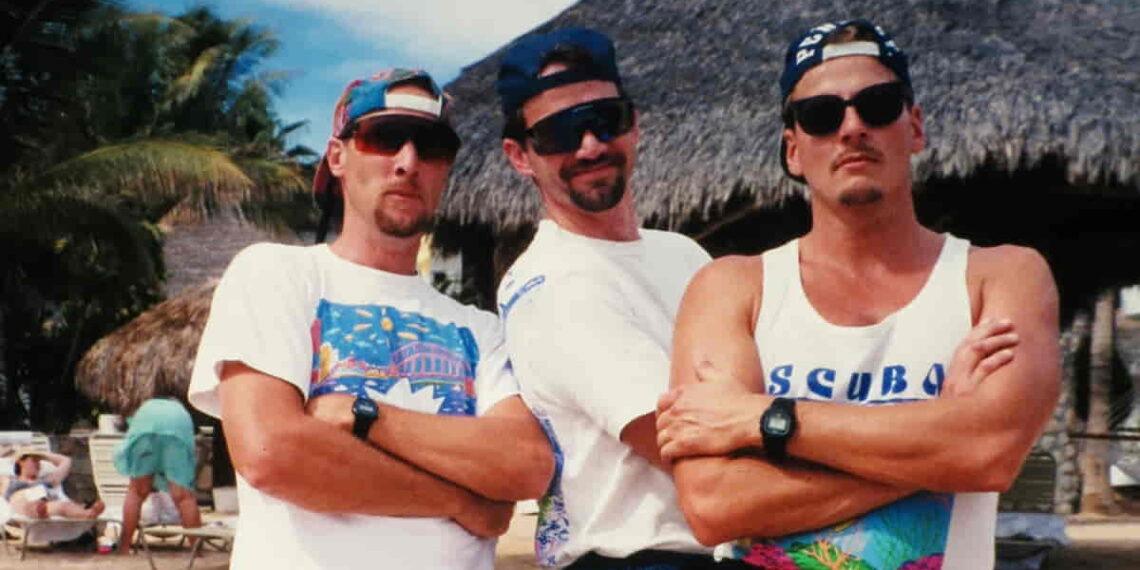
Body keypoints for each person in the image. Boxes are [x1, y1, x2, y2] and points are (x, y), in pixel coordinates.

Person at [655, 19, 1060, 569]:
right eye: (821, 115)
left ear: (914, 127)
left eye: (878, 104)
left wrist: (764, 420)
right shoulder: (733, 289)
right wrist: (942, 430)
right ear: (793, 150)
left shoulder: (1001, 277)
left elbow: (990, 454)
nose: (851, 128)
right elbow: (714, 505)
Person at [187, 68, 554, 570]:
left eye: (430, 145)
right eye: (384, 138)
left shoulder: (480, 328)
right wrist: (461, 501)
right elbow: (273, 452)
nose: (408, 162)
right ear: (338, 156)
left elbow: (526, 464)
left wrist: (362, 416)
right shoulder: (276, 274)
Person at [495, 28, 737, 569]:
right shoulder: (551, 285)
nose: (590, 146)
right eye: (560, 132)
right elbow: (686, 445)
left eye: (606, 120)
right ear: (520, 155)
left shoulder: (682, 253)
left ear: (635, 124)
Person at [113, 397, 202, 555]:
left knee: (136, 491)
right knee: (184, 497)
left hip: (145, 426)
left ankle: (124, 547)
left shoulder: (145, 406)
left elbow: (128, 425)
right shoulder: (178, 409)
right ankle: (196, 549)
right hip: (177, 429)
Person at [4, 448, 104, 520]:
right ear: (21, 462)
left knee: (62, 506)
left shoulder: (47, 480)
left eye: (39, 461)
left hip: (45, 506)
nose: (38, 464)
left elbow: (66, 461)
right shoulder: (9, 480)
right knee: (19, 497)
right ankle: (87, 513)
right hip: (22, 503)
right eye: (34, 460)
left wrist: (43, 455)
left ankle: (87, 513)